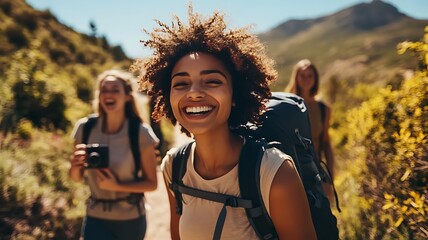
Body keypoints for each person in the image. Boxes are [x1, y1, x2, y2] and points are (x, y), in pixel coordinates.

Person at [131, 6, 316, 240]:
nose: (194, 93)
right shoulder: (174, 167)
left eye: (212, 81)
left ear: (235, 94)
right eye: (181, 84)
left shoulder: (275, 174)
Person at [69, 69, 159, 240]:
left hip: (130, 219)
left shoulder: (139, 133)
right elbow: (75, 178)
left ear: (127, 96)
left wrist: (117, 185)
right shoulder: (84, 128)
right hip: (95, 217)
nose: (108, 94)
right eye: (104, 90)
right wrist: (74, 166)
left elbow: (151, 184)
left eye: (115, 90)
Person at [285, 59, 336, 201]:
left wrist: (330, 177)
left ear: (316, 79)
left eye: (310, 75)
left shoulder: (323, 108)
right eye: (302, 75)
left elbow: (325, 142)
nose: (306, 79)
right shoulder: (287, 106)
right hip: (291, 172)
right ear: (296, 78)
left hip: (316, 171)